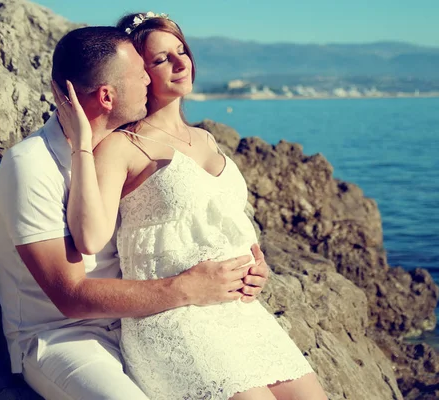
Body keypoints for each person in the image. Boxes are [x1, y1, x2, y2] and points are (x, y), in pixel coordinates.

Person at [55, 12, 328, 400]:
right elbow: (89, 237)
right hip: (174, 318)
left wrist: (256, 266)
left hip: (239, 312)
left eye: (181, 51)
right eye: (162, 58)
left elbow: (222, 220)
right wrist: (83, 144)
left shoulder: (206, 139)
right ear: (141, 73)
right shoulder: (123, 146)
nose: (181, 63)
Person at [0, 25, 271, 400]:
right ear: (107, 96)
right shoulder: (32, 164)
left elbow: (178, 229)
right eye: (141, 72)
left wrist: (244, 267)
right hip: (63, 338)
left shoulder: (124, 149)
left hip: (141, 321)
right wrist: (187, 288)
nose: (148, 79)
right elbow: (70, 296)